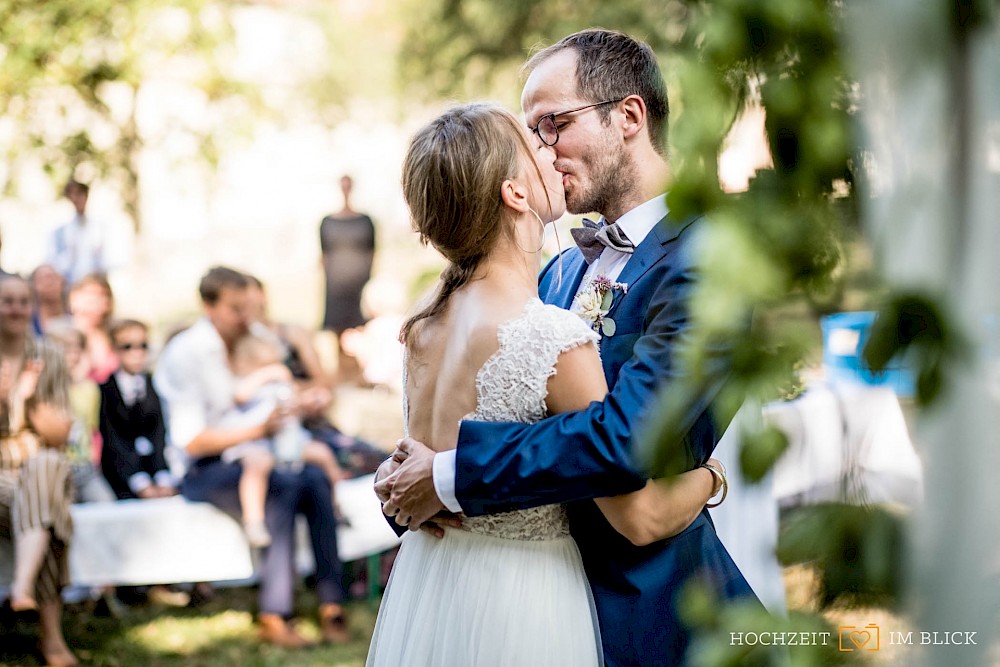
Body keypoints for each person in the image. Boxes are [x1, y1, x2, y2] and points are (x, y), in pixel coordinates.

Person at [376, 29, 760, 666]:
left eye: (552, 124)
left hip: (652, 606)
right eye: (532, 135)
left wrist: (448, 477)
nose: (544, 151)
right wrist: (407, 483)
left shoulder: (714, 261)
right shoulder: (552, 275)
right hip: (522, 603)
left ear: (629, 116)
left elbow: (624, 439)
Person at [153, 266, 349, 648]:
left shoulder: (249, 339)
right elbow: (192, 441)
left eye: (249, 308)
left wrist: (295, 406)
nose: (246, 318)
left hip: (255, 452)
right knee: (285, 485)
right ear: (207, 306)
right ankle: (275, 613)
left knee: (313, 476)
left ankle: (331, 602)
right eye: (235, 309)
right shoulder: (188, 354)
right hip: (203, 468)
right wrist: (261, 430)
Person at [0, 275, 78, 666]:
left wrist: (27, 401)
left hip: (36, 468)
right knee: (44, 510)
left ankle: (21, 587)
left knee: (46, 468)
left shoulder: (48, 355)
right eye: (6, 301)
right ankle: (50, 637)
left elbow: (60, 435)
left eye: (21, 301)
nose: (15, 308)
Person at [244, 275, 386, 478]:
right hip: (269, 430)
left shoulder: (291, 333)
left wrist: (297, 394)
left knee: (373, 460)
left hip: (310, 422)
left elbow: (323, 381)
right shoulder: (238, 344)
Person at [224, 332, 346, 548]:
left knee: (323, 454)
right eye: (264, 366)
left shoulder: (281, 385)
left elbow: (296, 403)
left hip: (288, 442)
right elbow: (240, 394)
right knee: (256, 468)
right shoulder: (247, 385)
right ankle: (254, 521)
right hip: (257, 443)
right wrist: (266, 374)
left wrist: (309, 401)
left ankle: (337, 505)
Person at [98, 319, 178, 500]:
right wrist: (139, 482)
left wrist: (163, 477)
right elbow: (112, 439)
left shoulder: (157, 384)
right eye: (127, 347)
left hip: (157, 474)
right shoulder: (105, 391)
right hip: (122, 480)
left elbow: (159, 432)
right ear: (114, 349)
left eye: (142, 346)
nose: (136, 353)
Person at [44, 321, 116, 503]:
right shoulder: (41, 391)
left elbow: (93, 431)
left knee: (107, 507)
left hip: (86, 468)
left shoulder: (89, 389)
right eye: (66, 347)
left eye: (77, 347)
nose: (73, 354)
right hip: (55, 470)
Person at [319, 175, 376, 384]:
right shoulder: (327, 222)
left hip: (359, 279)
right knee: (336, 326)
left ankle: (362, 370)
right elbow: (323, 255)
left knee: (360, 324)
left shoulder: (365, 221)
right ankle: (340, 371)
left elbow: (372, 251)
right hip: (335, 281)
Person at [45, 180, 110, 286]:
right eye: (72, 195)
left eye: (79, 194)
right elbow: (52, 261)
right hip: (69, 285)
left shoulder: (100, 228)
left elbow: (107, 261)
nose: (76, 199)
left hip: (94, 285)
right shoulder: (59, 231)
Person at [65, 274, 118, 384]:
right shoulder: (62, 333)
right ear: (74, 296)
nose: (100, 300)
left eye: (104, 295)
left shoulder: (113, 335)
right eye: (93, 294)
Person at [30, 264, 68, 337]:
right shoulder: (29, 321)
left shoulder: (75, 314)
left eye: (53, 277)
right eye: (42, 279)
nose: (49, 283)